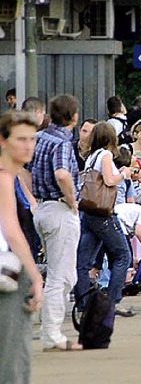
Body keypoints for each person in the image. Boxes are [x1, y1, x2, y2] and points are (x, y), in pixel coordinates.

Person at [29, 94, 83, 351]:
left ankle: (50, 326)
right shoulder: (63, 142)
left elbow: (24, 169)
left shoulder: (39, 138)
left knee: (65, 275)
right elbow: (62, 173)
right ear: (73, 117)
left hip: (42, 207)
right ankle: (52, 333)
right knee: (59, 276)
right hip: (60, 209)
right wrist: (71, 199)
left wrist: (32, 198)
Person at [74, 121, 134, 317]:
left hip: (89, 212)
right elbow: (109, 180)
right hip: (103, 213)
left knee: (83, 261)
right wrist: (123, 174)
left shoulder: (91, 156)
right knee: (122, 255)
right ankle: (112, 301)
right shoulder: (106, 155)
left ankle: (83, 302)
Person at [0, 111, 43, 380]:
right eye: (20, 139)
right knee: (13, 354)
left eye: (32, 139)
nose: (28, 145)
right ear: (3, 141)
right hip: (7, 270)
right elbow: (12, 230)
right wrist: (36, 276)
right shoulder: (4, 177)